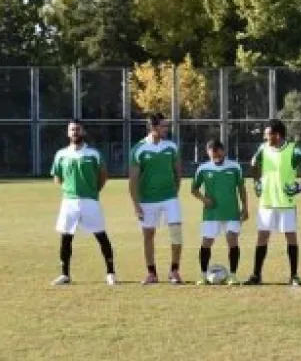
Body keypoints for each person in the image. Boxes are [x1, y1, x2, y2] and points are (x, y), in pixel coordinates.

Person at [245, 119, 301, 286]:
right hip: (267, 202)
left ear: (277, 135)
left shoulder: (293, 150)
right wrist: (256, 181)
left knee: (290, 237)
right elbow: (253, 164)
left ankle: (294, 276)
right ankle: (256, 275)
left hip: (286, 202)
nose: (265, 137)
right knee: (262, 237)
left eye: (267, 134)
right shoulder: (263, 148)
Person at [50, 119, 117, 286]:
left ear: (83, 132)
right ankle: (65, 274)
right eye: (72, 130)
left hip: (90, 201)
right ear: (68, 133)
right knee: (66, 237)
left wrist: (93, 191)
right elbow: (57, 177)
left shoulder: (93, 154)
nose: (75, 132)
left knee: (101, 236)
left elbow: (103, 176)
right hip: (69, 202)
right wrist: (68, 190)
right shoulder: (61, 154)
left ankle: (110, 273)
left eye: (78, 129)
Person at [129, 113, 184, 285]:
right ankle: (151, 273)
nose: (166, 129)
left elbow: (178, 173)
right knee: (148, 236)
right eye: (163, 126)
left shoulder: (171, 147)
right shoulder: (138, 149)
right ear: (153, 128)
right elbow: (133, 181)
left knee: (176, 232)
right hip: (147, 200)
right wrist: (136, 205)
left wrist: (174, 192)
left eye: (166, 126)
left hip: (169, 198)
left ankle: (174, 271)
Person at [191, 140, 248, 285]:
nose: (216, 158)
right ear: (208, 153)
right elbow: (194, 189)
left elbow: (241, 188)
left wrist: (245, 208)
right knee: (206, 243)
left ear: (223, 151)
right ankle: (203, 275)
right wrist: (204, 199)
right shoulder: (203, 168)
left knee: (232, 241)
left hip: (231, 212)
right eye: (212, 156)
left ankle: (233, 276)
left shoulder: (235, 167)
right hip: (211, 214)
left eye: (218, 155)